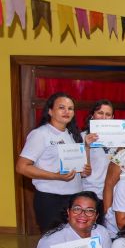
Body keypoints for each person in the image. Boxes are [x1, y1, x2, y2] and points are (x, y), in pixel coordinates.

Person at [16, 92, 89, 231]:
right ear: (50, 111)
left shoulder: (73, 134)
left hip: (75, 198)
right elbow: (22, 167)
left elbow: (76, 167)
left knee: (73, 242)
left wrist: (84, 170)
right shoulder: (40, 134)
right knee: (54, 245)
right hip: (51, 199)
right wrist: (56, 176)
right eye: (62, 107)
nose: (67, 111)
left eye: (70, 108)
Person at [81, 100, 115, 199]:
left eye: (108, 114)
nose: (104, 117)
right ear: (92, 115)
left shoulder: (119, 139)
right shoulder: (82, 137)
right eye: (100, 113)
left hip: (112, 193)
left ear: (112, 118)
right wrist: (86, 146)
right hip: (89, 193)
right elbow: (82, 172)